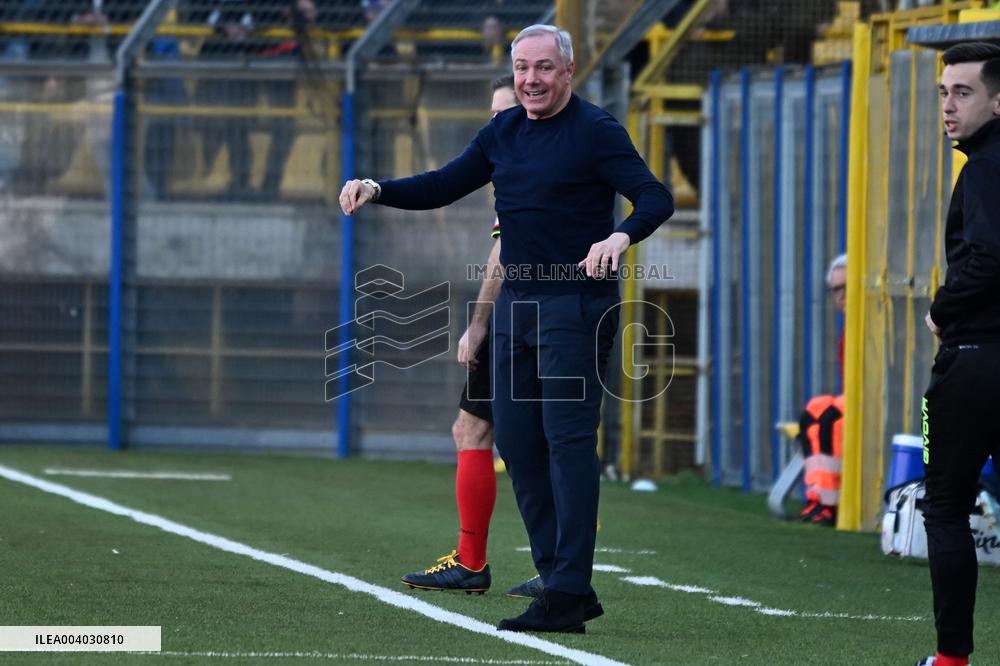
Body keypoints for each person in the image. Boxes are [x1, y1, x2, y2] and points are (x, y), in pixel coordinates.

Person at [340, 24, 673, 633]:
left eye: (544, 68)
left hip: (577, 305)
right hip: (518, 304)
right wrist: (377, 188)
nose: (531, 80)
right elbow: (444, 183)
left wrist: (621, 235)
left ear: (568, 70)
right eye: (522, 67)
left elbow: (655, 195)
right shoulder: (504, 131)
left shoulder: (596, 131)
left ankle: (568, 589)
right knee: (518, 444)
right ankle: (557, 579)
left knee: (568, 443)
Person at [398, 74, 521, 595]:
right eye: (491, 115)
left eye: (505, 113)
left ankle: (557, 570)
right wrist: (478, 323)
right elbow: (502, 249)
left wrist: (480, 323)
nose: (496, 124)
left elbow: (510, 253)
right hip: (523, 315)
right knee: (474, 429)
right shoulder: (514, 165)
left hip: (540, 317)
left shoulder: (537, 165)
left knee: (531, 443)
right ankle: (476, 562)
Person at [917, 41, 1000, 666]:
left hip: (976, 359)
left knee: (945, 508)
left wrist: (941, 309)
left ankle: (951, 660)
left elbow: (987, 259)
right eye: (944, 91)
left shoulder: (986, 168)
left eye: (963, 92)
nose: (948, 105)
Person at [797, 253, 847, 527]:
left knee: (829, 419)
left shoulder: (871, 320)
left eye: (845, 288)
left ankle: (831, 504)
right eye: (835, 290)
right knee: (812, 414)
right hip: (849, 396)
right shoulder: (847, 326)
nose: (840, 296)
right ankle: (816, 497)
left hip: (870, 399)